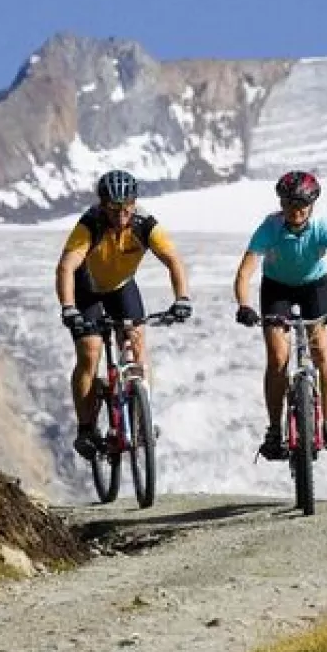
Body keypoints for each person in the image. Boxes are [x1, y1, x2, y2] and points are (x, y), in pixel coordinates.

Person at [54, 169, 192, 460]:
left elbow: (174, 261)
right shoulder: (90, 224)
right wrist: (68, 307)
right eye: (114, 210)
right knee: (90, 353)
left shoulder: (145, 224)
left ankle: (142, 418)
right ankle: (86, 428)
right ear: (103, 205)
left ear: (134, 203)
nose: (121, 216)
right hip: (87, 288)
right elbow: (66, 267)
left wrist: (182, 298)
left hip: (121, 287)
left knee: (137, 343)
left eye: (127, 209)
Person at [232, 170, 327, 460]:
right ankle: (273, 429)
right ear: (281, 204)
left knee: (322, 354)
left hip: (313, 288)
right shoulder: (269, 227)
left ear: (312, 205)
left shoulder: (322, 227)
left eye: (302, 206)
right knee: (278, 358)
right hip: (276, 289)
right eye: (290, 205)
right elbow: (245, 272)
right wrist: (243, 305)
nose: (296, 211)